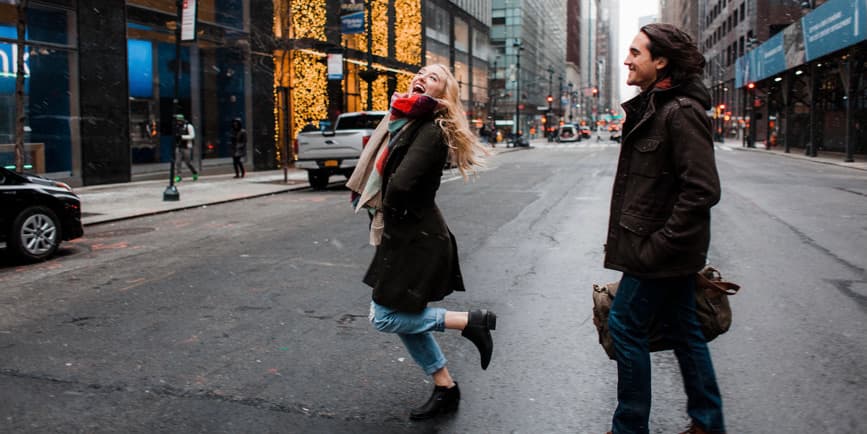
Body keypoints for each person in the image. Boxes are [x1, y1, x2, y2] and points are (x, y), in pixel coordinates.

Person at [346, 64, 495, 421]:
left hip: (416, 239)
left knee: (383, 318)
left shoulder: (431, 128)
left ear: (445, 94)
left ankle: (470, 321)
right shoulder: (406, 120)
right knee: (403, 315)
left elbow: (400, 186)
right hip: (407, 235)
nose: (422, 77)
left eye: (433, 78)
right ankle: (446, 387)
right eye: (421, 73)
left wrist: (383, 204)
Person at [604, 24, 724, 434]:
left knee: (623, 323)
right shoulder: (657, 107)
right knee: (686, 329)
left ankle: (629, 426)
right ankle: (708, 422)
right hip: (662, 250)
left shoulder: (680, 112)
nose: (627, 60)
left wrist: (660, 246)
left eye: (636, 52)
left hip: (660, 253)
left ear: (661, 61)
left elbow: (703, 190)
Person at [174, 114, 198, 182]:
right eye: (177, 121)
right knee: (178, 162)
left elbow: (192, 136)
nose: (178, 122)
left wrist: (182, 137)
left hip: (187, 147)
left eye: (179, 121)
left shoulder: (189, 126)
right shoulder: (177, 127)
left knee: (188, 162)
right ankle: (178, 176)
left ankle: (194, 172)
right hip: (179, 146)